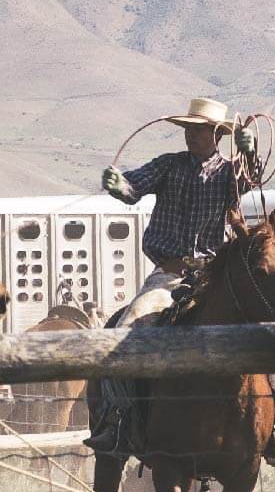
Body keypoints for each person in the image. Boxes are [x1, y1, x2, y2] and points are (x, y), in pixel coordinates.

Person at [84, 97, 257, 455]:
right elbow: (133, 189)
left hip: (214, 277)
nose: (191, 136)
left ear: (215, 135)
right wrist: (118, 185)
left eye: (198, 130)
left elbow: (249, 179)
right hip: (169, 274)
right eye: (188, 130)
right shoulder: (168, 166)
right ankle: (120, 420)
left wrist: (250, 153)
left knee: (262, 331)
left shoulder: (228, 173)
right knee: (128, 326)